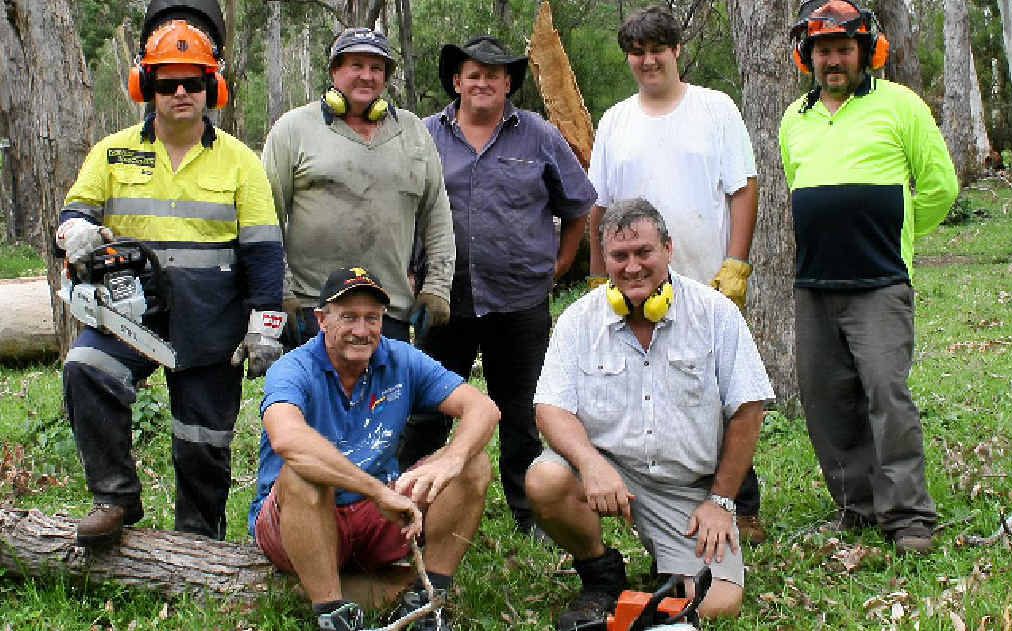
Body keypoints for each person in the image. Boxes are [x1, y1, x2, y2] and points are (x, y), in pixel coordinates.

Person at [58, 11, 285, 546]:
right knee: (86, 368)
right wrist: (77, 233)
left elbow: (265, 252)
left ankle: (197, 539)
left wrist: (266, 323)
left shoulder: (240, 161)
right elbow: (73, 213)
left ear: (212, 87)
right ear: (147, 87)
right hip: (129, 310)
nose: (181, 92)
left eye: (192, 82)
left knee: (203, 438)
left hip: (213, 320)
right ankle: (114, 497)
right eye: (167, 82)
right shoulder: (111, 152)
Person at [526, 199, 774, 629]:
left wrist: (720, 501)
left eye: (645, 252)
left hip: (686, 486)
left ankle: (656, 591)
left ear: (668, 249)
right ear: (605, 259)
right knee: (545, 479)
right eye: (620, 256)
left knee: (717, 602)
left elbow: (749, 410)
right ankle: (600, 573)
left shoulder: (715, 314)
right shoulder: (577, 321)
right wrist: (590, 465)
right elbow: (551, 408)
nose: (633, 266)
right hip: (607, 470)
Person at [780, 0, 957, 554]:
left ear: (865, 52)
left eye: (843, 49)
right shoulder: (795, 118)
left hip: (879, 283)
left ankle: (908, 518)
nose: (833, 60)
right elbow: (797, 186)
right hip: (815, 285)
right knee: (825, 399)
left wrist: (896, 239)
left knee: (887, 395)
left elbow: (939, 186)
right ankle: (856, 506)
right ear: (808, 57)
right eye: (824, 51)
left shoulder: (900, 105)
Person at [585, 4, 766, 544]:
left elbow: (743, 189)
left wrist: (735, 264)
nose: (647, 60)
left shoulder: (715, 109)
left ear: (677, 51)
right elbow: (599, 206)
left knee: (720, 392)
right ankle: (657, 496)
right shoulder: (617, 119)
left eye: (656, 49)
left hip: (705, 280)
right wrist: (600, 276)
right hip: (634, 283)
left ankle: (739, 501)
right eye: (637, 52)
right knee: (651, 390)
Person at [408, 35, 596, 537]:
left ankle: (528, 510)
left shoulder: (537, 135)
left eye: (495, 74)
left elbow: (578, 204)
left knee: (522, 410)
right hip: (443, 300)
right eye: (474, 74)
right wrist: (411, 273)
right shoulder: (424, 136)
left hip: (519, 301)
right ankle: (412, 497)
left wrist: (557, 265)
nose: (484, 82)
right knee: (427, 407)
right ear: (457, 82)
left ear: (508, 83)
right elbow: (404, 208)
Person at [249, 266, 499, 631]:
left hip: (378, 513)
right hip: (300, 517)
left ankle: (427, 600)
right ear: (322, 320)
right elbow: (289, 440)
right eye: (348, 317)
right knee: (302, 475)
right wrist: (376, 491)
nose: (362, 331)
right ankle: (332, 612)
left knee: (474, 466)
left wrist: (451, 460)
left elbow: (483, 408)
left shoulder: (400, 358)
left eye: (372, 318)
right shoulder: (293, 367)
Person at [263, 27, 455, 347]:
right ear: (335, 71)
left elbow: (437, 215)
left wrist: (436, 289)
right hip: (315, 309)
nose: (367, 76)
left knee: (383, 398)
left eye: (376, 68)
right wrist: (281, 294)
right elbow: (265, 219)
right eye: (356, 66)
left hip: (388, 309)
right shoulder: (293, 129)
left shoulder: (414, 132)